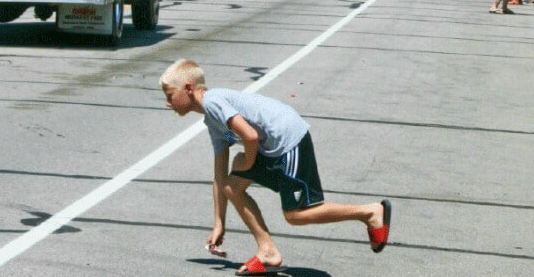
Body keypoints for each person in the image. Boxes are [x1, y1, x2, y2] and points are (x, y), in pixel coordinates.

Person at [160, 60, 391, 275]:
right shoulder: (212, 121)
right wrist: (219, 223)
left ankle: (370, 212)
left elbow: (249, 136)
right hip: (270, 146)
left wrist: (249, 163)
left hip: (288, 139)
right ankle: (268, 252)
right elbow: (219, 176)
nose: (167, 103)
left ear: (188, 88)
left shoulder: (212, 102)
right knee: (231, 186)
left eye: (170, 96)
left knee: (295, 215)